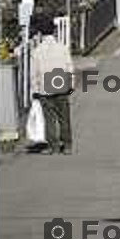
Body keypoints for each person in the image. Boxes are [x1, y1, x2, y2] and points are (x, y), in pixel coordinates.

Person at [30, 20, 75, 155]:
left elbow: (34, 73)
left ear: (40, 33)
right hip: (61, 83)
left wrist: (35, 90)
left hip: (45, 86)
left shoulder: (37, 51)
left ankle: (52, 146)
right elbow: (69, 67)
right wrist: (71, 84)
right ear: (54, 31)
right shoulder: (62, 48)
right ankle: (67, 145)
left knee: (49, 118)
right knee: (64, 117)